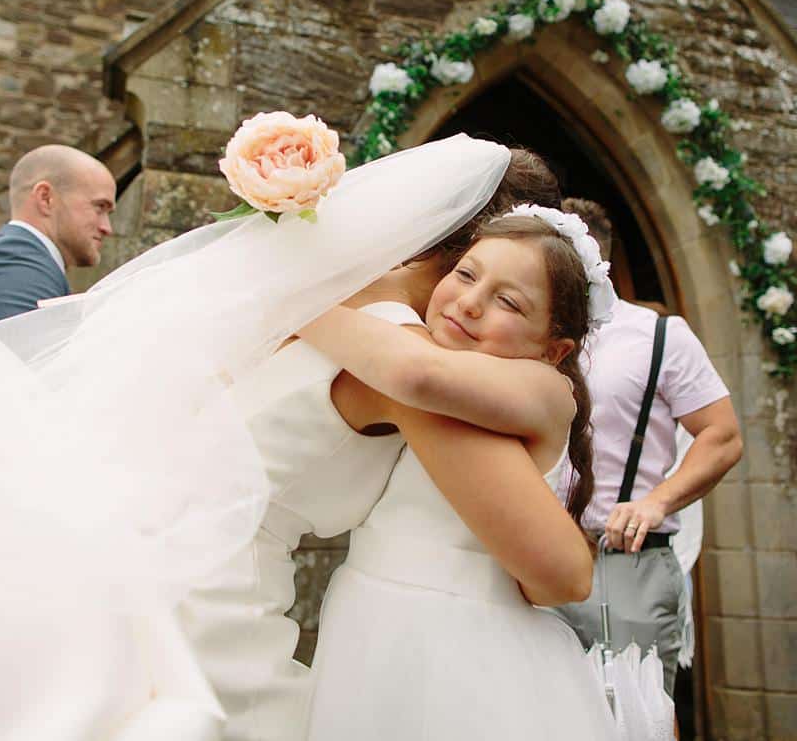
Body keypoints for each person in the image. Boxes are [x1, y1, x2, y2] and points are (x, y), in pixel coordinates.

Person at [0, 132, 523, 739]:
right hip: (230, 577)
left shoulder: (315, 293)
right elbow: (554, 568)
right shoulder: (403, 352)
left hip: (176, 536)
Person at [171, 146, 580, 741]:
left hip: (169, 550)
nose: (476, 300)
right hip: (218, 599)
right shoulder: (398, 352)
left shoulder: (328, 286)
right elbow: (563, 571)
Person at [293, 206, 619, 741]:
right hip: (374, 622)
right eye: (466, 274)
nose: (469, 302)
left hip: (458, 643)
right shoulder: (458, 368)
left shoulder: (546, 389)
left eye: (508, 302)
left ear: (554, 349)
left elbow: (418, 376)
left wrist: (289, 304)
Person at [550, 198, 741, 693]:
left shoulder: (659, 336)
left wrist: (656, 502)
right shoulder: (523, 337)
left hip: (625, 565)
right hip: (534, 561)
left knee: (635, 716)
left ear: (594, 259)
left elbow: (722, 436)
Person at [0, 144, 116, 322]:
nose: (107, 228)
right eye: (99, 207)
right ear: (46, 198)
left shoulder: (28, 264)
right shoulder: (12, 267)